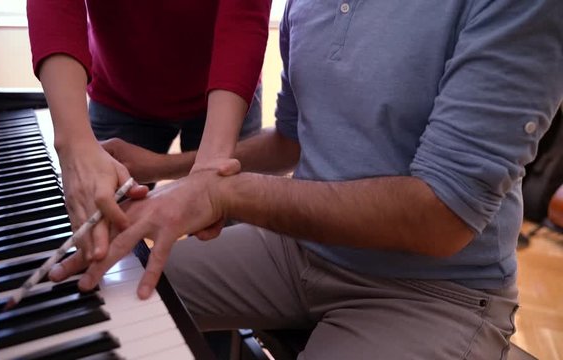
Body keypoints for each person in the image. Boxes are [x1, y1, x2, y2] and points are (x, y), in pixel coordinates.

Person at [48, 0, 563, 358]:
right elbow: (291, 141)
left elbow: (442, 217)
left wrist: (224, 193)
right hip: (298, 251)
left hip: (431, 290)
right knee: (89, 297)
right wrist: (165, 169)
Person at [26, 0, 270, 262]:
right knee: (99, 243)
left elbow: (244, 16)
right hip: (118, 93)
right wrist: (74, 145)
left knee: (228, 254)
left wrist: (212, 164)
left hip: (227, 94)